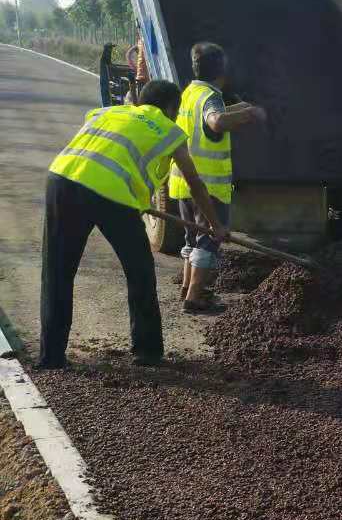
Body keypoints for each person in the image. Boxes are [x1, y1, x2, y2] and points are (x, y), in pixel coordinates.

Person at [38, 80, 227, 370]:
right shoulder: (170, 131)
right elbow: (196, 185)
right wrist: (215, 225)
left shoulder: (105, 112)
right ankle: (147, 352)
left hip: (61, 180)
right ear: (170, 109)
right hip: (112, 194)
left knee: (57, 272)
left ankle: (50, 358)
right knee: (139, 271)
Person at [169, 42, 266, 312]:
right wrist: (248, 114)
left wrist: (237, 108)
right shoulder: (212, 97)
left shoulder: (190, 92)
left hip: (182, 182)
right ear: (222, 71)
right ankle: (194, 299)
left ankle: (186, 289)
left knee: (192, 239)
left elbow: (207, 119)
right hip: (207, 186)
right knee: (209, 240)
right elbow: (215, 122)